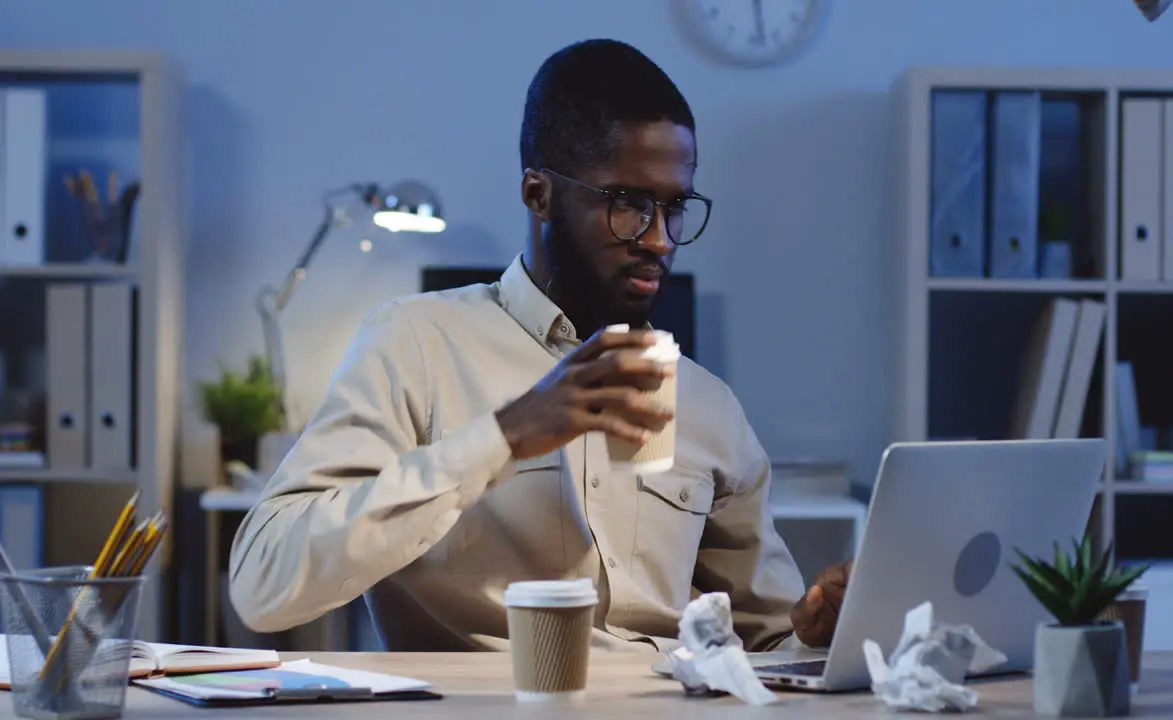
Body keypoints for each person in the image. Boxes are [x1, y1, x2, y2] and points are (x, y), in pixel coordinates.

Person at [228, 38, 849, 653]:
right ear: (538, 193)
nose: (660, 239)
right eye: (629, 204)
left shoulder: (709, 404)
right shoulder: (414, 342)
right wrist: (503, 438)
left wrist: (815, 635)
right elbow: (264, 586)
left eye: (675, 207)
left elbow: (767, 644)